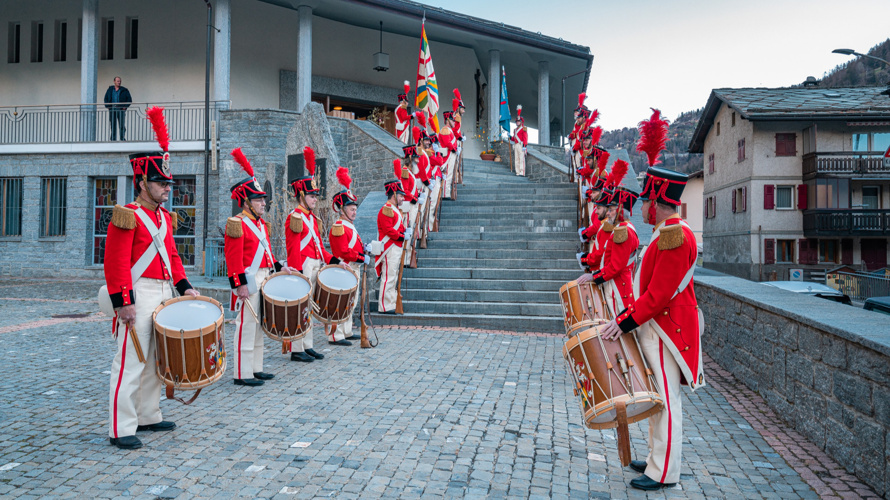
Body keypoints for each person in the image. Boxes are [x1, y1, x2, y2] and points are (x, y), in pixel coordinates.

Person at [599, 109, 704, 491]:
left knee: (665, 399)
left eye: (646, 198)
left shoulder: (675, 235)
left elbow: (659, 295)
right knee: (658, 398)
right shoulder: (667, 232)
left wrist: (624, 320)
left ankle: (664, 472)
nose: (641, 206)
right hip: (658, 324)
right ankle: (657, 459)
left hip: (665, 327)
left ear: (657, 200)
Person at [103, 107, 198, 450]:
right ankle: (120, 426)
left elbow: (172, 257)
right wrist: (123, 302)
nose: (166, 189)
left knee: (156, 358)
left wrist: (185, 287)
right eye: (160, 183)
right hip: (138, 292)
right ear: (142, 182)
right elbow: (114, 263)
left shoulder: (163, 218)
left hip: (163, 292)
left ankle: (148, 414)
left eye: (168, 183)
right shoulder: (127, 215)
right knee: (130, 360)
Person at [225, 148, 293, 386]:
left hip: (264, 278)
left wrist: (280, 266)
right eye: (258, 199)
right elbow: (232, 259)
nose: (263, 202)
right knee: (246, 325)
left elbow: (265, 253)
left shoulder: (260, 224)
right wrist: (239, 286)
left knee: (259, 324)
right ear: (246, 202)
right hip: (248, 280)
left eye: (263, 199)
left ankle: (255, 368)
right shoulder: (237, 224)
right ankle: (242, 373)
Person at [285, 146, 344, 362]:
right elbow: (292, 247)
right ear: (301, 195)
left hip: (315, 263)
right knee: (299, 307)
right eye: (311, 195)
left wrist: (335, 261)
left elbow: (320, 247)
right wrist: (297, 272)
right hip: (303, 266)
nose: (315, 199)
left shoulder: (311, 218)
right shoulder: (296, 217)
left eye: (315, 195)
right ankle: (296, 348)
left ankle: (307, 345)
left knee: (308, 308)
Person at [578, 162, 639, 317]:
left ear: (619, 211)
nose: (608, 214)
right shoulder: (623, 228)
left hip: (619, 287)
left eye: (611, 210)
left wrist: (594, 276)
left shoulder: (623, 230)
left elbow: (616, 266)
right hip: (616, 283)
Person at [328, 167, 370, 345]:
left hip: (352, 268)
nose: (354, 212)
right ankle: (335, 335)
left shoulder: (349, 225)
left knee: (350, 302)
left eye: (354, 209)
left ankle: (345, 331)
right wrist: (361, 258)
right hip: (344, 267)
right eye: (351, 209)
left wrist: (364, 250)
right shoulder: (339, 226)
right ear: (342, 210)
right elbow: (343, 251)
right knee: (341, 302)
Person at [376, 177, 407, 314]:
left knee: (392, 275)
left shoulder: (394, 209)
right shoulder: (387, 209)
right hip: (390, 247)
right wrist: (402, 236)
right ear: (393, 194)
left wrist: (405, 232)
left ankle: (391, 303)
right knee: (388, 276)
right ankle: (385, 306)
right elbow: (389, 230)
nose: (402, 198)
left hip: (395, 246)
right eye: (400, 195)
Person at [398, 150, 421, 267]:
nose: (417, 161)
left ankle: (409, 257)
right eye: (415, 159)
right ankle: (406, 259)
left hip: (412, 205)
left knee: (412, 231)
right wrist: (415, 199)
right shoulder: (405, 172)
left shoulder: (409, 172)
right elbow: (404, 191)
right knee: (409, 230)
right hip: (409, 206)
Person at [104, 77, 132, 141]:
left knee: (121, 125)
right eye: (117, 81)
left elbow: (129, 100)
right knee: (113, 125)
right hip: (112, 109)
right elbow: (106, 98)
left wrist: (125, 107)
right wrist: (107, 106)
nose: (119, 82)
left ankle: (122, 138)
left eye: (120, 81)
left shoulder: (124, 90)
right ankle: (113, 139)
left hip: (121, 109)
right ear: (114, 81)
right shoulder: (110, 89)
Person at [438, 111, 459, 199]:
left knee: (449, 174)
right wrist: (454, 149)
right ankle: (445, 194)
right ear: (448, 120)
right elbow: (447, 143)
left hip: (451, 154)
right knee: (447, 174)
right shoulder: (445, 129)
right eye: (452, 120)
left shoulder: (448, 130)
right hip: (448, 155)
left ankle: (446, 193)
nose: (454, 122)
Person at [511, 105, 528, 176]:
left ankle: (522, 172)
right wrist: (510, 137)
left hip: (521, 145)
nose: (517, 122)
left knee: (521, 159)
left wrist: (524, 145)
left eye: (519, 121)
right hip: (516, 145)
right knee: (516, 159)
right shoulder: (515, 130)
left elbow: (525, 137)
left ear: (521, 122)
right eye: (517, 121)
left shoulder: (524, 128)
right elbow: (514, 138)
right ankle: (517, 172)